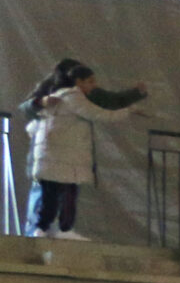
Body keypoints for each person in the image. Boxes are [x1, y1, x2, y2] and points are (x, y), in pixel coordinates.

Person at [20, 58, 147, 239]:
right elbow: (104, 110)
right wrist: (131, 106)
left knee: (53, 193)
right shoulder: (70, 95)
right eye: (90, 81)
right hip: (59, 152)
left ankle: (44, 229)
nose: (94, 86)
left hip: (57, 151)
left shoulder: (75, 94)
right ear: (77, 80)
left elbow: (110, 100)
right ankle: (42, 229)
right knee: (51, 193)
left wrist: (134, 95)